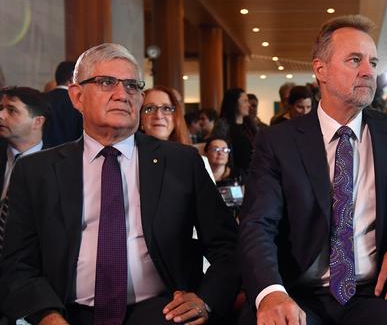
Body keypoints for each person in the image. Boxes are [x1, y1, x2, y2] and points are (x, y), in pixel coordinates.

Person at [0, 43, 240, 324]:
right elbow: (17, 262)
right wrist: (47, 316)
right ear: (77, 97)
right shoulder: (37, 171)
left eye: (132, 86)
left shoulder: (181, 163)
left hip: (162, 311)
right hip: (65, 312)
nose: (122, 94)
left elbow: (228, 246)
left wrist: (206, 300)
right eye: (106, 82)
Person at [238, 15, 387, 325]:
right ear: (320, 69)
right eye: (354, 60)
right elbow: (258, 223)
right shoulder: (279, 140)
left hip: (371, 293)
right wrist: (271, 292)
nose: (368, 71)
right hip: (297, 290)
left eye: (373, 62)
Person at [0, 87, 51, 255]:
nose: (1, 115)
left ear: (38, 122)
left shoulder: (56, 168)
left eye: (12, 110)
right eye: (1, 108)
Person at [212, 88, 257, 181]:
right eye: (244, 101)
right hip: (233, 176)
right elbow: (219, 148)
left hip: (253, 174)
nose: (248, 105)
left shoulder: (250, 125)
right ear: (234, 103)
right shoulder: (223, 125)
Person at [43, 61, 83, 147]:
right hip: (71, 155)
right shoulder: (79, 102)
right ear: (73, 78)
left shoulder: (41, 99)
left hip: (41, 155)